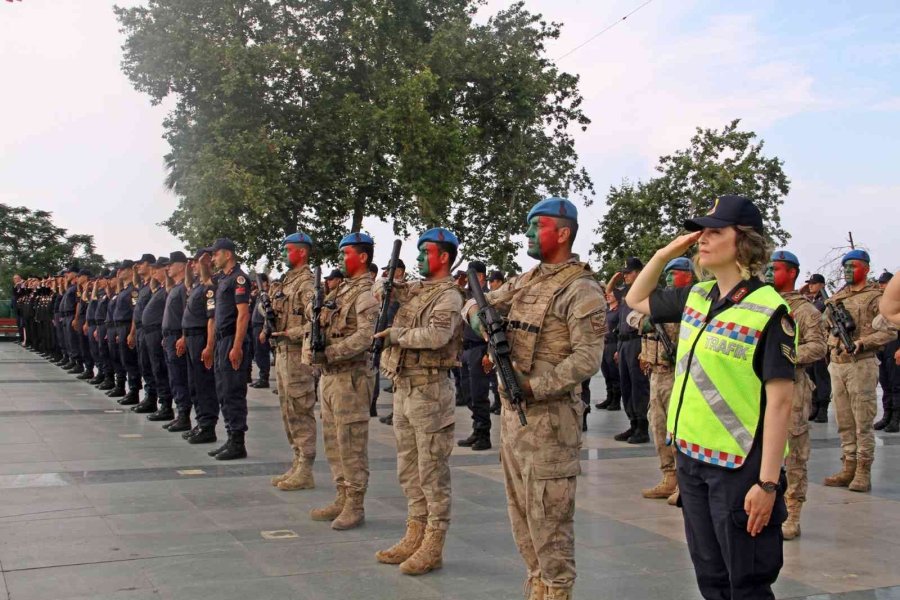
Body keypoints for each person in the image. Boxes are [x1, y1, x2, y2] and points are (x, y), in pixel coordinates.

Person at [625, 194, 796, 600]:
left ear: (745, 243)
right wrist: (666, 253)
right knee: (712, 579)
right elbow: (634, 299)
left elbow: (781, 403)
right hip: (693, 461)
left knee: (748, 583)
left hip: (739, 468)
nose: (702, 239)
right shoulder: (697, 297)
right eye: (701, 232)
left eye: (715, 232)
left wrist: (768, 484)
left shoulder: (770, 310)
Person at [463, 197, 605, 600]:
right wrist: (479, 320)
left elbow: (586, 359)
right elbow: (477, 302)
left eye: (536, 226)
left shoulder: (581, 289)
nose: (527, 233)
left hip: (551, 421)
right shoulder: (528, 281)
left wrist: (533, 386)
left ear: (562, 233)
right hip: (514, 419)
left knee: (550, 519)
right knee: (521, 513)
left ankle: (557, 590)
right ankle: (536, 587)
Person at [375, 227, 465, 575]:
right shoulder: (416, 290)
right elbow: (378, 292)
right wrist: (386, 284)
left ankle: (433, 543)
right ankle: (414, 532)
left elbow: (438, 335)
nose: (419, 258)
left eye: (426, 252)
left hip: (430, 391)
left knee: (432, 472)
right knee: (408, 469)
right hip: (404, 386)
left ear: (444, 257)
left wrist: (397, 335)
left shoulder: (449, 296)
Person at [306, 232, 378, 529]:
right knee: (333, 441)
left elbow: (366, 336)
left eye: (346, 254)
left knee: (351, 444)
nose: (341, 259)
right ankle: (341, 494)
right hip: (329, 377)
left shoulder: (366, 294)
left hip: (351, 377)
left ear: (362, 257)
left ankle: (356, 504)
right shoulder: (340, 291)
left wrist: (332, 353)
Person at [765, 250, 827, 539]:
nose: (768, 274)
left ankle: (792, 513)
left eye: (775, 269)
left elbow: (818, 347)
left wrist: (785, 357)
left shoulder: (805, 311)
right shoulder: (761, 304)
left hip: (793, 386)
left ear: (791, 273)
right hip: (761, 387)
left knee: (794, 452)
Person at [822, 249, 895, 492]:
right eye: (845, 267)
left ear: (866, 268)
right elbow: (824, 327)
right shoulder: (836, 298)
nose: (847, 271)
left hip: (862, 364)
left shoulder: (877, 297)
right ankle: (848, 466)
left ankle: (863, 471)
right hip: (838, 364)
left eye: (852, 266)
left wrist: (863, 342)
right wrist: (834, 342)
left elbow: (889, 331)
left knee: (862, 421)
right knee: (843, 420)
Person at [629, 257, 694, 504]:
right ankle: (668, 477)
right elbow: (631, 317)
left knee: (679, 429)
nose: (668, 279)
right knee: (658, 426)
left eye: (674, 274)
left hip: (680, 374)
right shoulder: (660, 300)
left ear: (688, 276)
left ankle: (684, 480)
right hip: (656, 374)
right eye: (666, 274)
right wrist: (645, 321)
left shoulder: (692, 302)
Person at [267, 232, 318, 492]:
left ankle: (306, 467)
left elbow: (316, 320)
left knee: (300, 409)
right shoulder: (286, 282)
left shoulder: (307, 284)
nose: (284, 255)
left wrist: (294, 333)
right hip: (282, 351)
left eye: (288, 250)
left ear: (301, 252)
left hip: (297, 353)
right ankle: (296, 461)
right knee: (288, 410)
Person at [207, 238, 252, 461]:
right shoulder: (223, 279)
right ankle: (230, 437)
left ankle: (238, 442)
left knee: (233, 391)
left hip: (232, 341)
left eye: (215, 254)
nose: (213, 258)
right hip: (221, 340)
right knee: (223, 391)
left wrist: (236, 346)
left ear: (227, 254)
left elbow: (243, 314)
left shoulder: (239, 278)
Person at [178, 248, 219, 445]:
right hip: (191, 337)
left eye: (196, 262)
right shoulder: (196, 286)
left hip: (202, 338)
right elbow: (187, 283)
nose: (193, 265)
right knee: (194, 384)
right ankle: (200, 422)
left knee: (204, 385)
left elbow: (212, 319)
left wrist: (209, 346)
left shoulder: (210, 287)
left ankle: (208, 426)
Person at [609, 257, 651, 444]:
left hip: (637, 342)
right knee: (626, 385)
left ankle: (642, 427)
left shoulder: (646, 290)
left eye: (628, 272)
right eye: (624, 273)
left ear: (639, 272)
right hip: (623, 343)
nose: (625, 276)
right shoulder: (626, 292)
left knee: (638, 385)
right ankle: (633, 423)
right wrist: (618, 348)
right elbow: (608, 291)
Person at [457, 260, 493, 451]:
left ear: (480, 276)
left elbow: (491, 329)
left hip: (480, 349)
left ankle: (483, 434)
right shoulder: (468, 296)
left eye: (470, 276)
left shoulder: (487, 297)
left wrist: (489, 354)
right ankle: (476, 428)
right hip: (466, 350)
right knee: (467, 392)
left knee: (479, 394)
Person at [139, 257, 174, 420]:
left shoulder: (169, 288)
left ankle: (166, 405)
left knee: (159, 369)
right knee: (150, 367)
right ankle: (154, 400)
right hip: (148, 332)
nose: (153, 272)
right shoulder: (158, 288)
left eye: (157, 269)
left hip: (157, 332)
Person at [161, 252, 192, 432]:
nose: (168, 268)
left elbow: (186, 315)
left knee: (179, 377)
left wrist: (183, 336)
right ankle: (180, 413)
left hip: (177, 337)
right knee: (174, 377)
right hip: (169, 336)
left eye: (171, 265)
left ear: (181, 266)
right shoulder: (174, 287)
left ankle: (184, 415)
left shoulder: (183, 289)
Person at [803, 273, 832, 423]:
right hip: (810, 344)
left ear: (822, 285)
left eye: (813, 283)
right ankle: (814, 406)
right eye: (810, 283)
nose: (810, 286)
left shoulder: (825, 301)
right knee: (811, 375)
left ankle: (823, 409)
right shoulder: (813, 301)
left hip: (821, 345)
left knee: (822, 378)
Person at [595, 289, 621, 411]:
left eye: (611, 293)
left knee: (614, 374)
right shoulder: (605, 311)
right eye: (607, 294)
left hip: (613, 344)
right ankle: (609, 397)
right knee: (606, 373)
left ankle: (616, 401)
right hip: (603, 345)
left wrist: (618, 349)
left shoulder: (619, 311)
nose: (608, 296)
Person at [249, 273, 272, 389]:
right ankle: (262, 376)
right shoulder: (259, 294)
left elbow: (268, 314)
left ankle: (264, 378)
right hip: (255, 326)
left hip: (261, 326)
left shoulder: (267, 295)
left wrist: (265, 330)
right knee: (258, 353)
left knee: (262, 353)